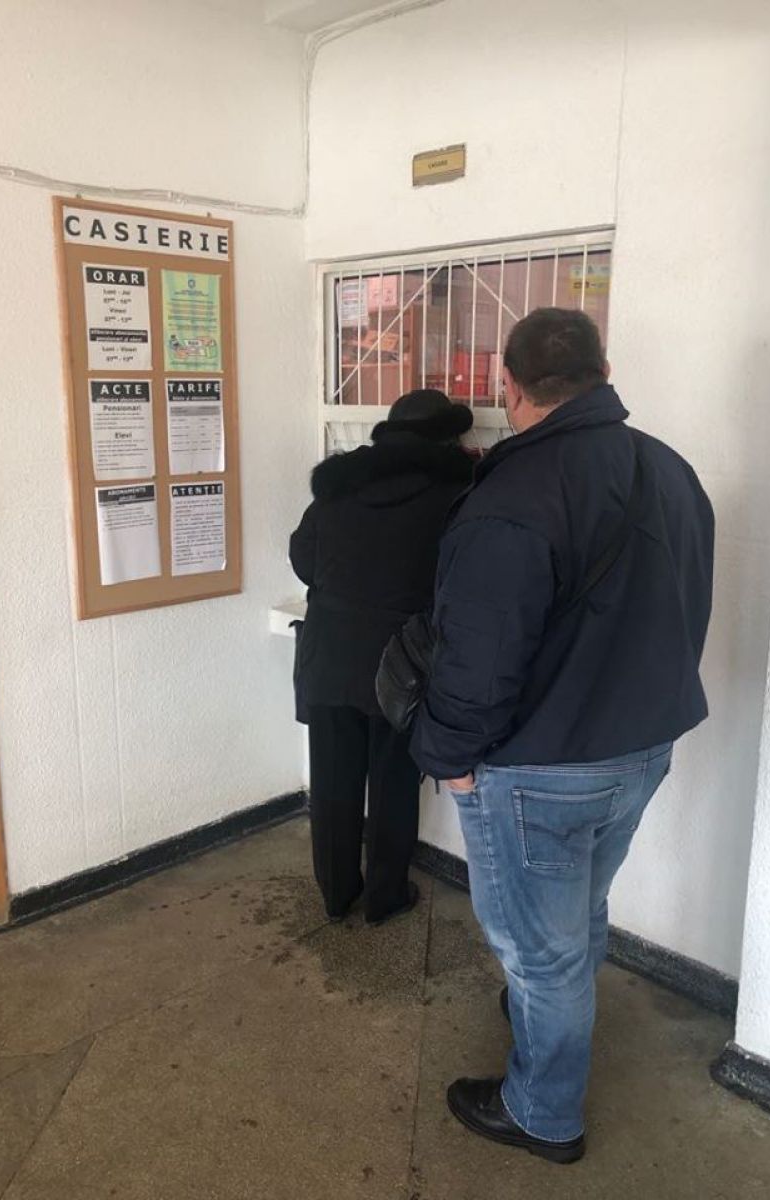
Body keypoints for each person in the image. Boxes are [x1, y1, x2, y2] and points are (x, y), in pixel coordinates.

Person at [410, 309, 714, 1164]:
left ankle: (543, 1112)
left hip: (540, 770)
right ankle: (543, 1017)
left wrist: (446, 759)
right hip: (643, 750)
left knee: (540, 954)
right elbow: (689, 600)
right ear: (603, 372)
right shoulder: (669, 469)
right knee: (580, 913)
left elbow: (478, 661)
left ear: (507, 386)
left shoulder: (511, 498)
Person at [290, 390, 474, 924]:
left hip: (329, 655)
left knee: (332, 780)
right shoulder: (455, 495)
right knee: (394, 782)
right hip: (402, 663)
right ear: (446, 438)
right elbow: (460, 583)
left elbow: (303, 558)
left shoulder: (341, 483)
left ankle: (336, 893)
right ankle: (385, 896)